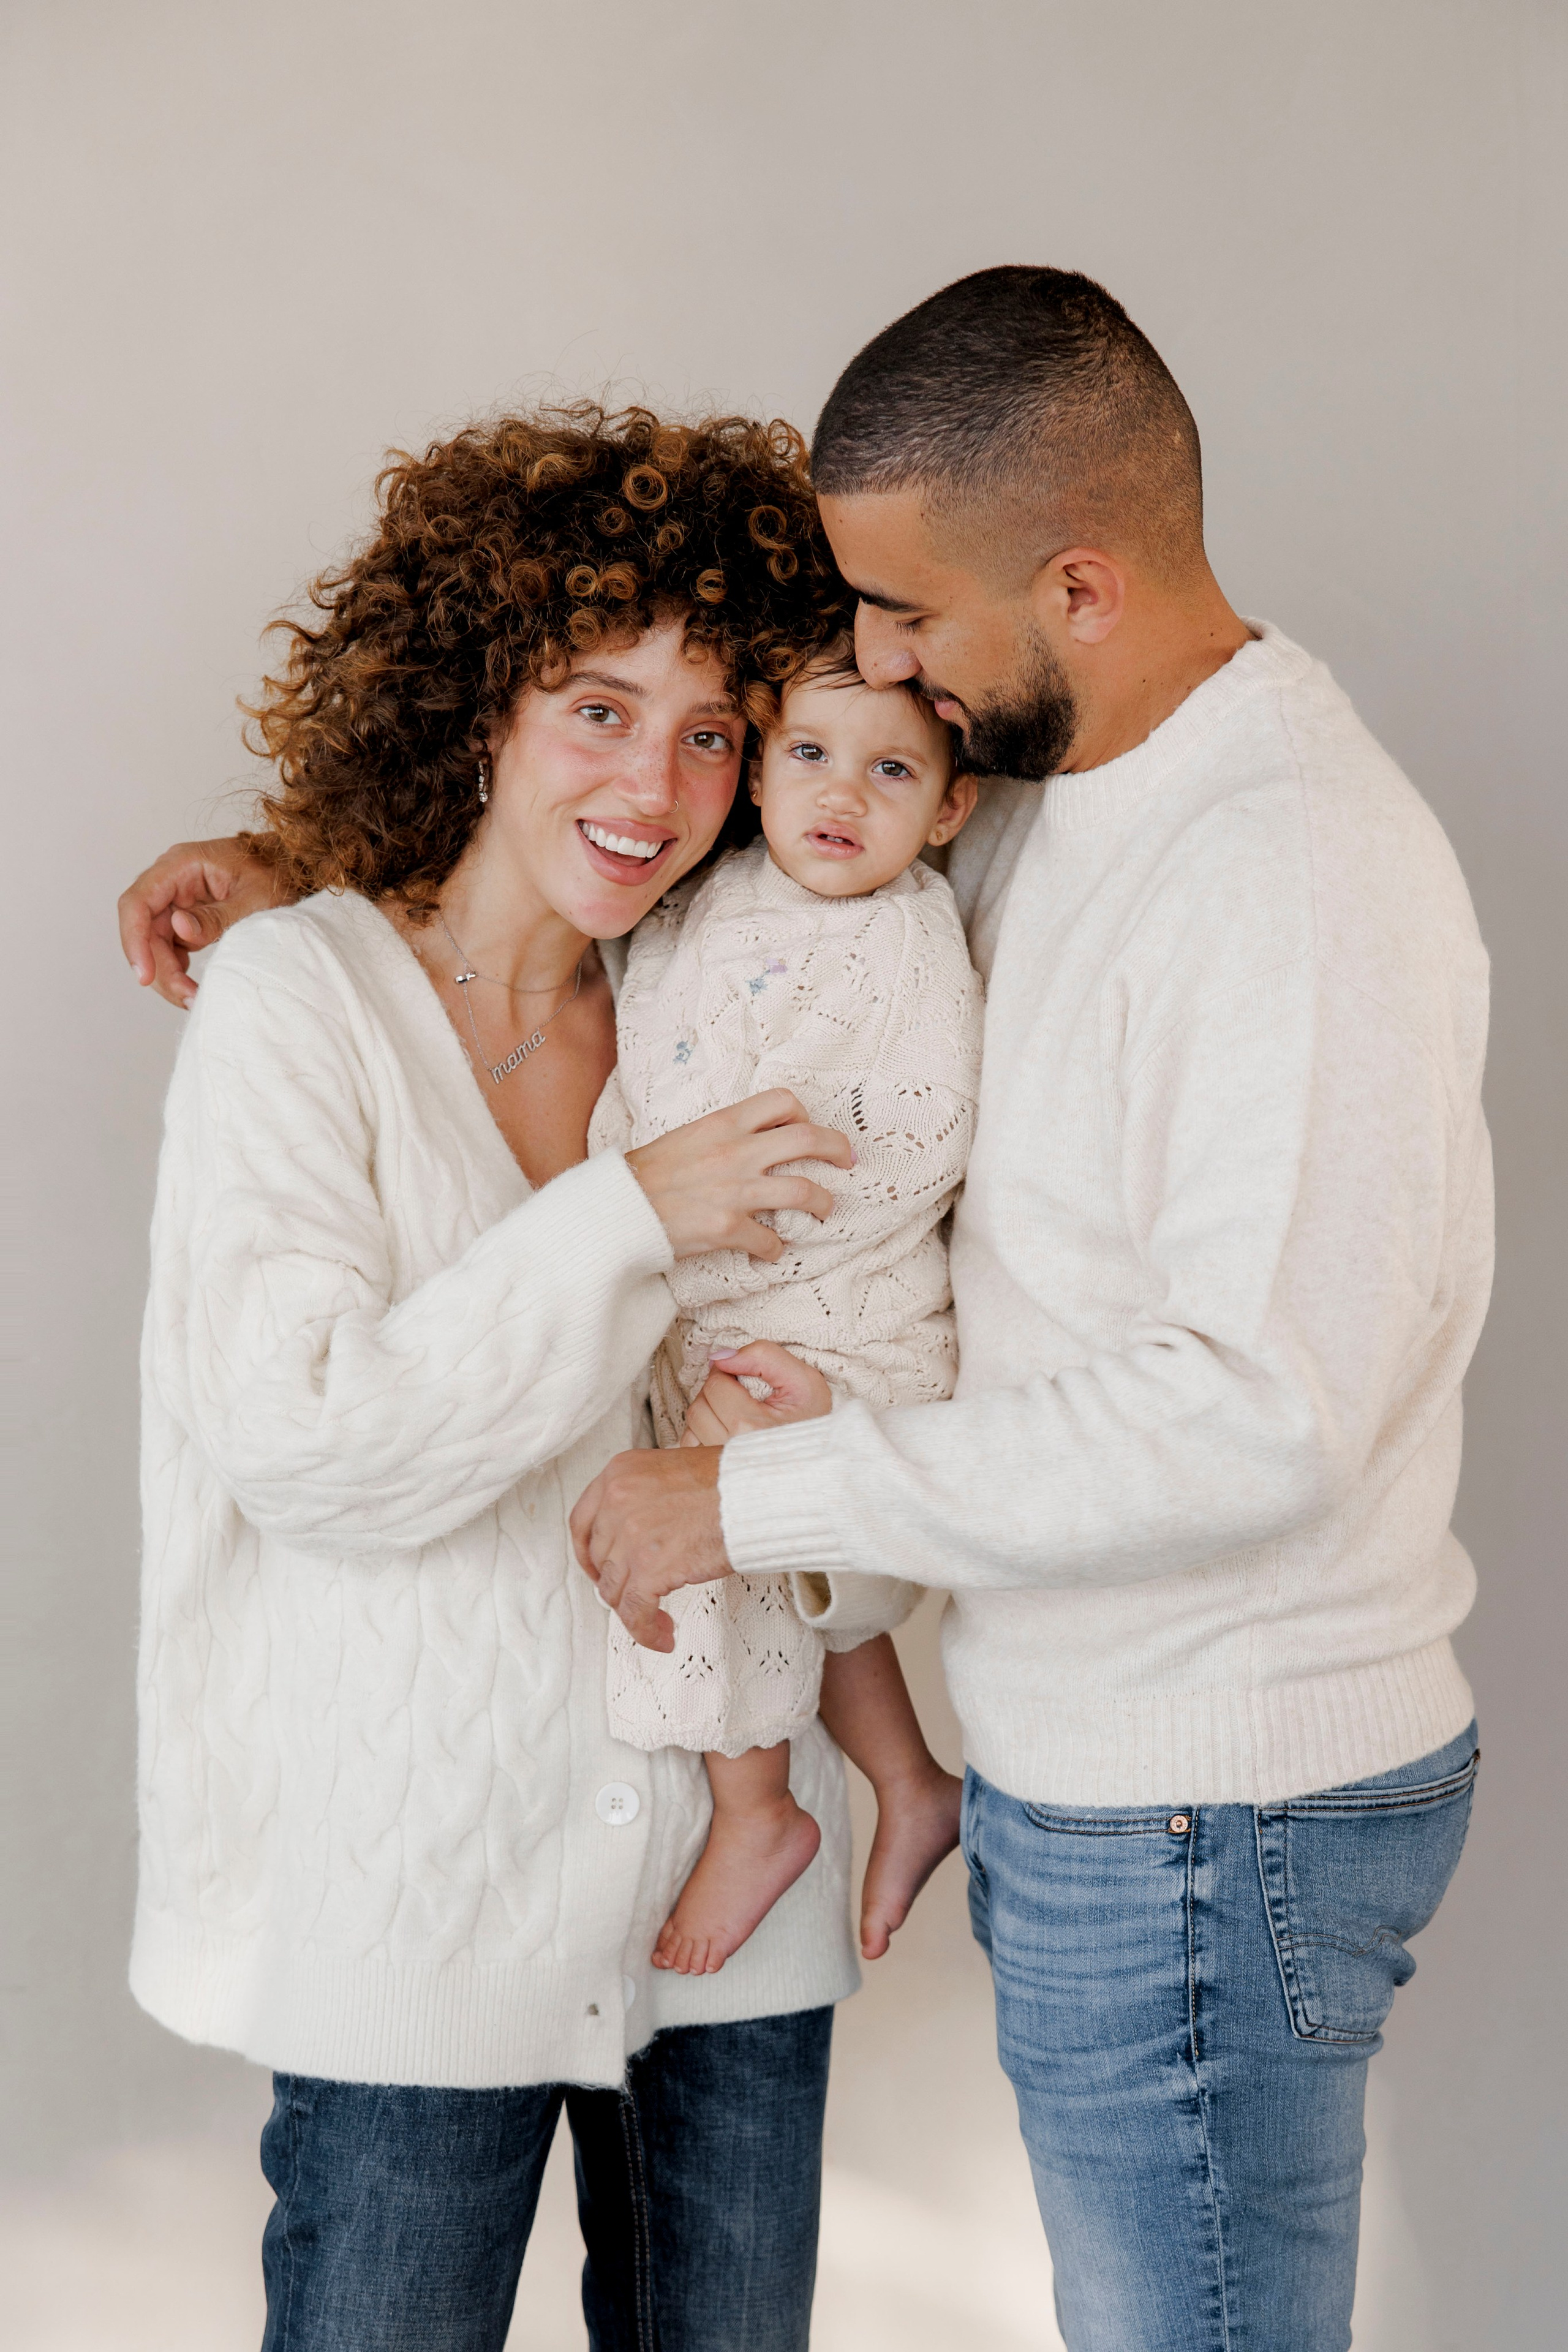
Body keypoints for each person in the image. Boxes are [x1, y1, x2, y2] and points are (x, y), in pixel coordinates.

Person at [570, 270, 1492, 2352]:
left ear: (1078, 583)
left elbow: (1262, 1414)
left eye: (907, 621)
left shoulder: (1295, 874)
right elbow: (755, 902)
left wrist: (762, 1497)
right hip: (1142, 1783)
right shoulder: (1086, 800)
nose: (880, 673)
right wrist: (306, 885)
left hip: (1209, 1808)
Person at [124, 402, 925, 2352]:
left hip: (739, 1936)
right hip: (419, 1923)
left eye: (714, 728)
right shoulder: (297, 999)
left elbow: (876, 1386)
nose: (656, 782)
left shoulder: (738, 985)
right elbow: (316, 1447)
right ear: (477, 706)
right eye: (595, 707)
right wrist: (625, 1213)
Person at [592, 635, 982, 1977]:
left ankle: (755, 1813)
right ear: (757, 772)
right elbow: (654, 1043)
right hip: (719, 1294)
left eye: (890, 772)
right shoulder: (711, 894)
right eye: (810, 755)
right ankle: (913, 1784)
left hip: (827, 1309)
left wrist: (702, 1263)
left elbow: (910, 1138)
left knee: (739, 1553)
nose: (841, 794)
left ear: (946, 810)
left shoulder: (906, 936)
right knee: (790, 1563)